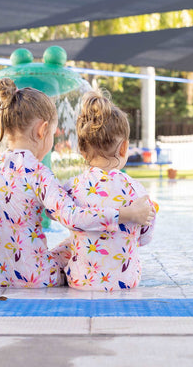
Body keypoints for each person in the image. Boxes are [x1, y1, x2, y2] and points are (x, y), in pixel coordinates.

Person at [0, 78, 154, 288]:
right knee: (73, 243)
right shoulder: (39, 174)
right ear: (42, 130)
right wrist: (126, 214)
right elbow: (72, 217)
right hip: (36, 277)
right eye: (53, 134)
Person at [63, 89, 158, 291]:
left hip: (80, 282)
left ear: (81, 149)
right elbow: (145, 238)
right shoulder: (137, 190)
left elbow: (54, 212)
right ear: (124, 148)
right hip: (126, 281)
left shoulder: (72, 187)